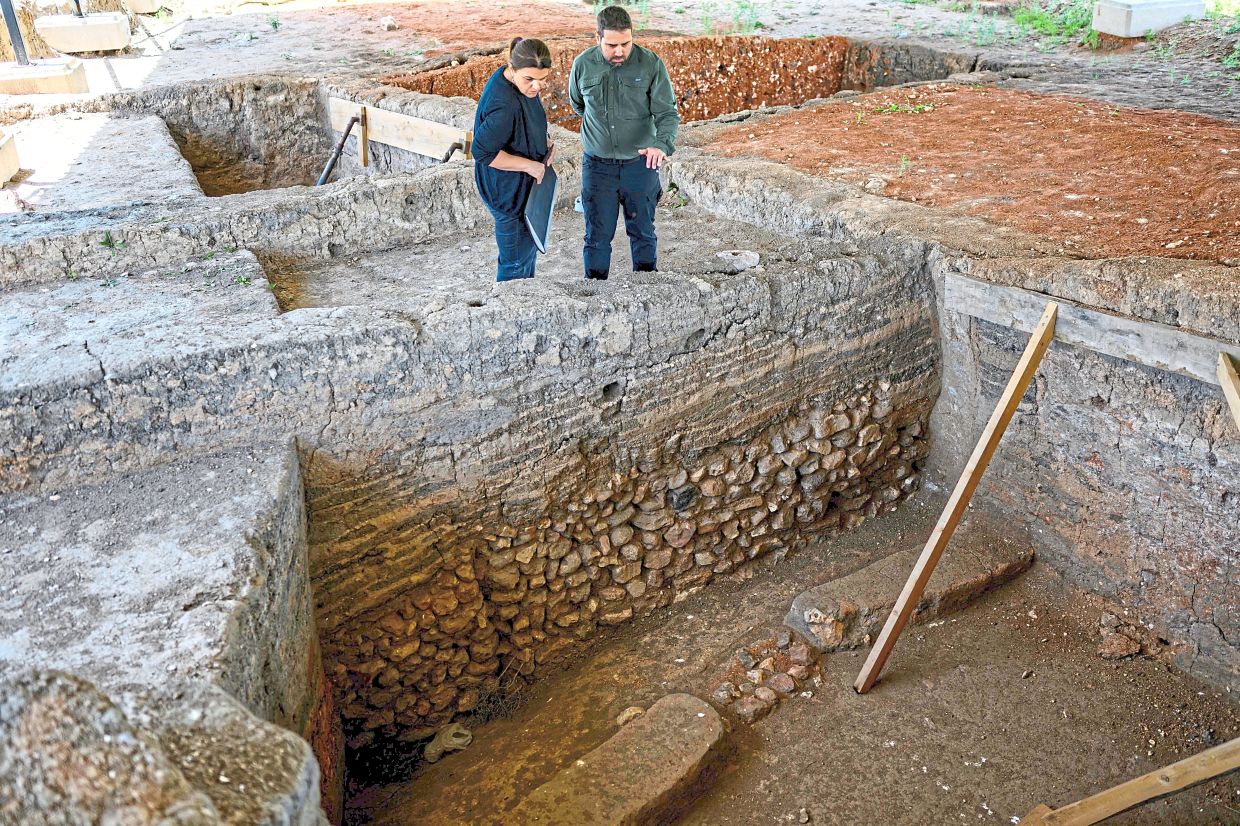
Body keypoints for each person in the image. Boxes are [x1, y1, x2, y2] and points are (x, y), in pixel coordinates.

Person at [568, 5, 679, 281]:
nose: (619, 51)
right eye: (611, 45)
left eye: (625, 44)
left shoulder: (651, 64)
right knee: (596, 235)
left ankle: (647, 288)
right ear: (597, 38)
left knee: (642, 231)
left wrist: (661, 145)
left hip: (640, 165)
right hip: (597, 166)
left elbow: (667, 113)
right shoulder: (582, 65)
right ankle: (594, 293)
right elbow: (578, 105)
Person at [472, 37, 557, 282]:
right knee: (515, 264)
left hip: (523, 189)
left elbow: (526, 120)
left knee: (527, 253)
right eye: (530, 79)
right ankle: (510, 314)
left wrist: (544, 139)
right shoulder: (504, 105)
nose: (537, 87)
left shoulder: (518, 81)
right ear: (512, 67)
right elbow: (482, 152)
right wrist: (530, 165)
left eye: (543, 80)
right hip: (507, 195)